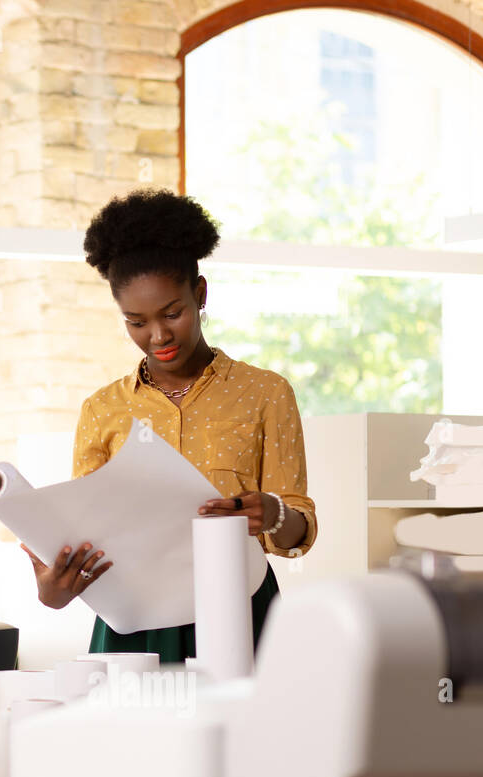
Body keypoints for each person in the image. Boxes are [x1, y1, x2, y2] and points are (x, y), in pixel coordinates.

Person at [23, 188, 318, 663]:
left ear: (200, 294)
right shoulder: (102, 410)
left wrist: (274, 513)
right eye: (136, 321)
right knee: (140, 737)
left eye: (172, 313)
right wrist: (54, 589)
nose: (157, 336)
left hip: (241, 610)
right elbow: (86, 542)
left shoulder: (265, 393)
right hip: (133, 621)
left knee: (245, 736)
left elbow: (298, 531)